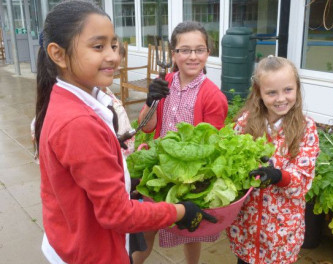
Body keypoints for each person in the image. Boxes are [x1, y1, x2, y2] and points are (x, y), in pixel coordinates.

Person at [35, 1, 216, 264]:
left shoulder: (73, 98)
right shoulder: (78, 122)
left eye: (114, 45)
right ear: (58, 54)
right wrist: (180, 211)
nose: (113, 56)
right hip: (91, 251)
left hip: (72, 238)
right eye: (98, 47)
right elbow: (117, 214)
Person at [133, 21, 228, 264]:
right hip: (159, 170)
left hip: (189, 174)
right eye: (184, 50)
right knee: (146, 228)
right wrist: (151, 100)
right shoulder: (164, 82)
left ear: (208, 52)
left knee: (191, 230)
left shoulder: (213, 96)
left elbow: (211, 146)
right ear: (174, 54)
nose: (192, 56)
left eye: (199, 49)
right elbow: (146, 126)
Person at [226, 56, 320, 264]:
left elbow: (303, 179)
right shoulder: (245, 123)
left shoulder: (306, 128)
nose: (280, 98)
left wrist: (279, 176)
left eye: (288, 90)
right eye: (271, 92)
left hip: (282, 233)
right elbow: (231, 163)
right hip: (246, 229)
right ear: (259, 93)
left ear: (297, 88)